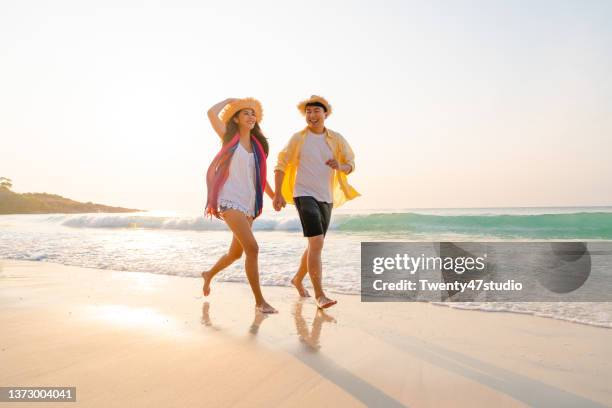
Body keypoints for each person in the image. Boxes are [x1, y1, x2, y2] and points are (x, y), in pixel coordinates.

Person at [273, 95, 360, 309]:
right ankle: (320, 295)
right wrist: (277, 194)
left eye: (316, 111)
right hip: (303, 194)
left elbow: (351, 163)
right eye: (308, 112)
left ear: (325, 114)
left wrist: (340, 166)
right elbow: (281, 164)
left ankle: (297, 279)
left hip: (326, 197)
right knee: (317, 243)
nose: (311, 115)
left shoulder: (336, 139)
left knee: (315, 244)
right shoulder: (298, 139)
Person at [202, 97, 277, 314]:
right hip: (229, 201)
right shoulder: (229, 139)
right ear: (236, 118)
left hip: (248, 205)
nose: (251, 116)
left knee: (235, 254)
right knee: (252, 248)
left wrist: (274, 196)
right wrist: (227, 102)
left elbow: (260, 178)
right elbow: (210, 113)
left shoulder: (258, 148)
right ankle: (260, 301)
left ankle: (209, 274)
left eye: (253, 113)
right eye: (245, 113)